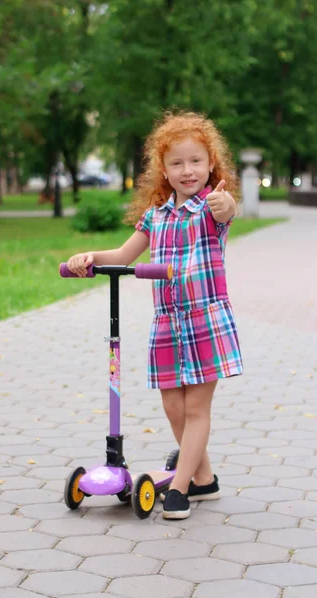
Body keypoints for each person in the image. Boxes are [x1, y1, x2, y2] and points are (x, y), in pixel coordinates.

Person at [67, 111, 243, 519]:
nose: (188, 171)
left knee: (197, 410)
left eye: (196, 161)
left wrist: (225, 202)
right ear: (162, 169)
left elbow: (228, 209)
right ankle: (205, 480)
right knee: (174, 409)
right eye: (177, 163)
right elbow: (122, 255)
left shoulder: (211, 210)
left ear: (211, 164)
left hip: (204, 320)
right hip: (166, 324)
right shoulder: (156, 215)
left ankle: (180, 488)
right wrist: (90, 257)